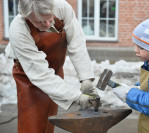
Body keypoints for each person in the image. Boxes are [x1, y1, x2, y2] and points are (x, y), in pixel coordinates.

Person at [5, 0, 98, 133]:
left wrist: (86, 79)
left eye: (49, 19)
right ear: (26, 16)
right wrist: (75, 97)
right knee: (33, 125)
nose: (47, 24)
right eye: (40, 22)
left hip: (56, 69)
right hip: (29, 75)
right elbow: (40, 74)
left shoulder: (62, 7)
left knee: (49, 120)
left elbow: (76, 43)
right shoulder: (18, 30)